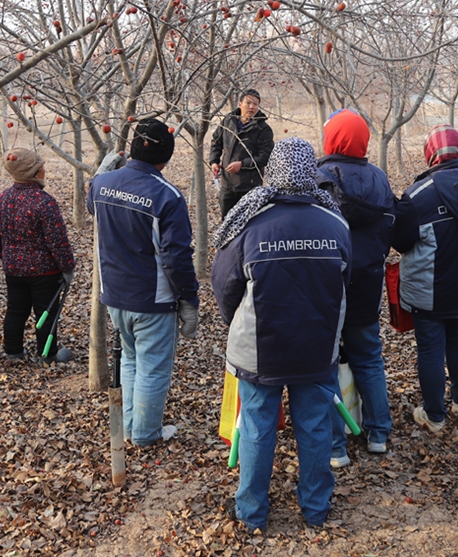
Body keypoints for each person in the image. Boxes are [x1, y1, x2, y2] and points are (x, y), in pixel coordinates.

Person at [213, 138, 352, 534]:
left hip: (260, 348)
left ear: (270, 170)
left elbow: (224, 285)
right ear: (312, 172)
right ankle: (316, 508)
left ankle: (251, 512)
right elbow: (346, 281)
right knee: (315, 425)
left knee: (257, 426)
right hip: (317, 345)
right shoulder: (335, 222)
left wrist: (238, 321)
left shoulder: (249, 222)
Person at [88, 118, 199, 446]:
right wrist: (189, 299)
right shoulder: (168, 197)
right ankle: (146, 434)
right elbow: (177, 258)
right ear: (165, 158)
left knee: (131, 359)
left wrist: (101, 172)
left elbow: (91, 199)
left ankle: (131, 428)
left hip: (115, 297)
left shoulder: (102, 185)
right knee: (152, 368)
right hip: (152, 300)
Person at [392, 126, 458, 433]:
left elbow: (401, 241)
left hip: (430, 290)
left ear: (430, 154)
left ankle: (434, 415)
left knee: (431, 349)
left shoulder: (418, 196)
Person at [315, 110, 396, 467]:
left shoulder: (318, 178)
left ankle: (336, 446)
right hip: (367, 281)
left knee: (326, 364)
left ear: (331, 138)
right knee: (369, 357)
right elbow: (391, 225)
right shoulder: (379, 179)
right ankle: (378, 433)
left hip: (328, 285)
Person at [0, 147, 76, 363]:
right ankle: (48, 355)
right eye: (41, 167)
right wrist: (67, 267)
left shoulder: (2, 199)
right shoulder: (45, 202)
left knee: (15, 310)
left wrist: (6, 257)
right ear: (34, 172)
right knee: (46, 312)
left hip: (13, 270)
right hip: (45, 272)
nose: (45, 170)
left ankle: (13, 352)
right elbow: (57, 241)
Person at [209, 89, 275, 219]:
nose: (252, 107)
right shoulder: (228, 121)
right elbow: (216, 142)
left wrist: (242, 164)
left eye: (255, 104)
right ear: (240, 104)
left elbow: (266, 156)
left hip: (250, 186)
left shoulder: (263, 129)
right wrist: (214, 161)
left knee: (249, 223)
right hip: (227, 184)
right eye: (248, 103)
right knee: (227, 221)